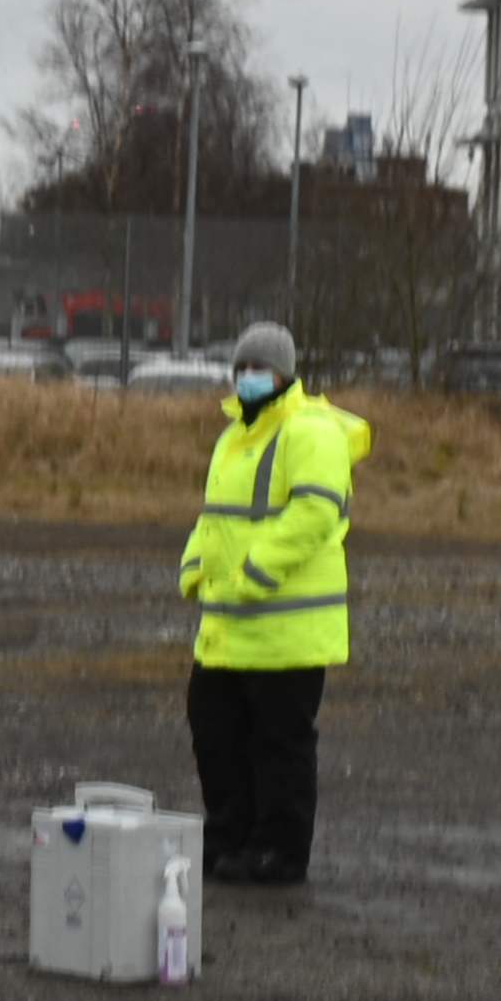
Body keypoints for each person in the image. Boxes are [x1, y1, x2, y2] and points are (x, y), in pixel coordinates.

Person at [175, 317, 360, 888]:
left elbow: (315, 512)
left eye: (259, 367)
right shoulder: (234, 436)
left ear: (285, 373)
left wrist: (256, 570)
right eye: (242, 368)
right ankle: (230, 836)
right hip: (230, 627)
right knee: (215, 728)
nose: (248, 377)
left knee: (279, 743)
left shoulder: (311, 431)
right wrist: (195, 565)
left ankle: (279, 851)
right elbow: (217, 517)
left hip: (286, 631)